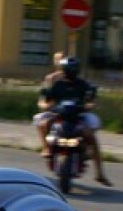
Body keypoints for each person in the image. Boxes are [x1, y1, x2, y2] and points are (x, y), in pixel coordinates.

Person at [35, 57, 112, 186]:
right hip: (59, 115)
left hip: (78, 116)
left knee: (91, 136)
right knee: (43, 123)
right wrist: (45, 105)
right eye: (68, 69)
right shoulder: (58, 84)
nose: (71, 72)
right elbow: (46, 99)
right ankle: (47, 148)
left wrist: (89, 105)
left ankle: (99, 173)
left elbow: (91, 99)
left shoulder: (82, 84)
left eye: (73, 69)